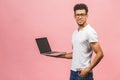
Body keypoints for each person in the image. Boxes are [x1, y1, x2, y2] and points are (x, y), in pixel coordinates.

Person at [52, 3, 104, 80]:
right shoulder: (75, 32)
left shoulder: (90, 32)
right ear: (74, 16)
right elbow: (75, 54)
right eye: (77, 15)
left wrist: (87, 69)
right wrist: (55, 54)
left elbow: (100, 53)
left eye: (82, 15)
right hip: (73, 72)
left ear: (87, 16)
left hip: (83, 74)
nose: (80, 17)